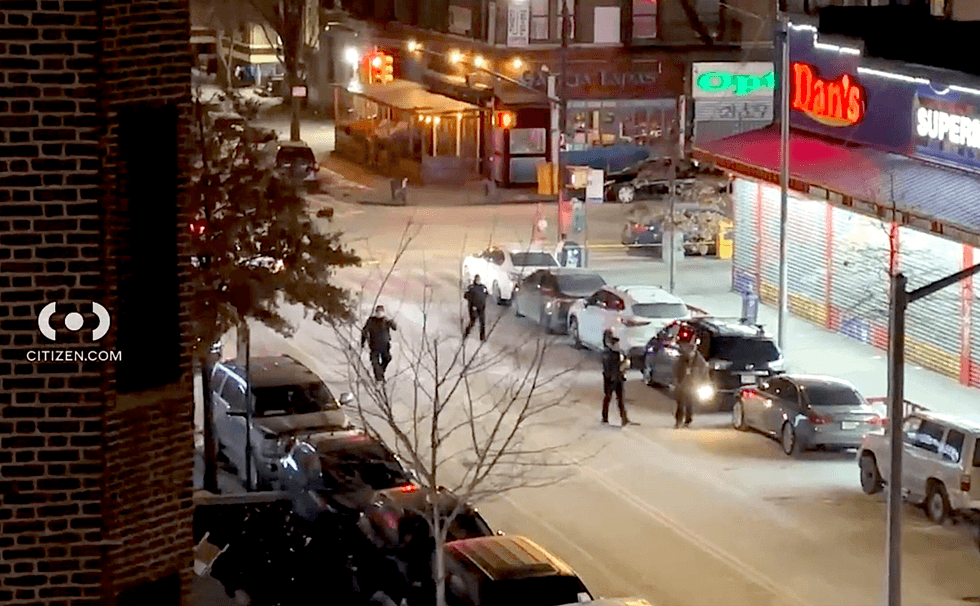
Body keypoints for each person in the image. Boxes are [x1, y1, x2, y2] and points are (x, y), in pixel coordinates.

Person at [673, 335, 708, 428]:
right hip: (682, 384)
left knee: (689, 404)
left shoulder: (700, 361)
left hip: (693, 385)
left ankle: (688, 420)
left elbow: (704, 373)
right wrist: (676, 382)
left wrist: (703, 383)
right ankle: (678, 421)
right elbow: (676, 370)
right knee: (680, 404)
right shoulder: (681, 359)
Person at [601, 329, 633, 426]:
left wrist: (624, 367)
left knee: (620, 399)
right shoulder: (607, 353)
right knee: (608, 397)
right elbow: (608, 368)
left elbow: (624, 363)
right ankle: (605, 417)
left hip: (618, 377)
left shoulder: (617, 352)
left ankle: (624, 418)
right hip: (610, 378)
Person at [361, 305, 397, 382]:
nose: (379, 313)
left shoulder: (386, 320)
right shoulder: (371, 321)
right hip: (374, 345)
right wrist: (362, 342)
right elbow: (364, 331)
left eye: (381, 312)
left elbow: (395, 328)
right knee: (375, 362)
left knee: (387, 358)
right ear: (375, 312)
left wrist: (392, 321)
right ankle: (379, 378)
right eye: (378, 311)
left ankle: (380, 374)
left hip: (385, 345)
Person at [463, 275, 489, 341]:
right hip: (473, 307)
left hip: (481, 307)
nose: (478, 281)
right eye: (477, 280)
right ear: (475, 280)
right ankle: (466, 333)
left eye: (479, 279)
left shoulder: (483, 287)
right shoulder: (471, 287)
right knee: (472, 322)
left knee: (482, 323)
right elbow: (466, 296)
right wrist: (472, 304)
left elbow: (486, 294)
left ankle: (482, 337)